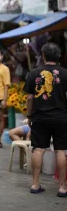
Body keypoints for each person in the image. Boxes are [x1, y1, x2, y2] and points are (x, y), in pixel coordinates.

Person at [24, 43, 67, 197]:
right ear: (59, 56)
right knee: (61, 150)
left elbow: (29, 97)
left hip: (40, 117)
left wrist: (29, 116)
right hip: (61, 117)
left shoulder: (34, 72)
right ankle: (62, 188)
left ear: (43, 56)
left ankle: (35, 185)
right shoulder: (65, 73)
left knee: (39, 148)